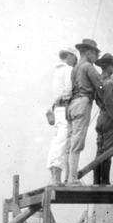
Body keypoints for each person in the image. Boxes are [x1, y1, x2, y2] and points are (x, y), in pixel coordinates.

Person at [66, 38, 104, 185]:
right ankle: (72, 178)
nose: (96, 57)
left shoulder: (75, 68)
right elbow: (100, 86)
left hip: (72, 105)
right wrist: (111, 81)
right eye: (95, 53)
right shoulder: (88, 66)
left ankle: (68, 176)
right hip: (82, 103)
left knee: (70, 143)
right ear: (88, 52)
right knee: (77, 143)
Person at [46, 46, 78, 185]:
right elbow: (68, 89)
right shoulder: (68, 70)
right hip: (64, 107)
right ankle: (56, 176)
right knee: (63, 141)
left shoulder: (57, 71)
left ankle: (55, 174)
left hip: (57, 109)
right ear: (71, 56)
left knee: (58, 140)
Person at [93, 54, 113, 185]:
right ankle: (104, 181)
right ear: (109, 66)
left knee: (100, 151)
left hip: (101, 118)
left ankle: (96, 180)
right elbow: (109, 102)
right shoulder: (109, 83)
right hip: (109, 118)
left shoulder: (99, 82)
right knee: (108, 151)